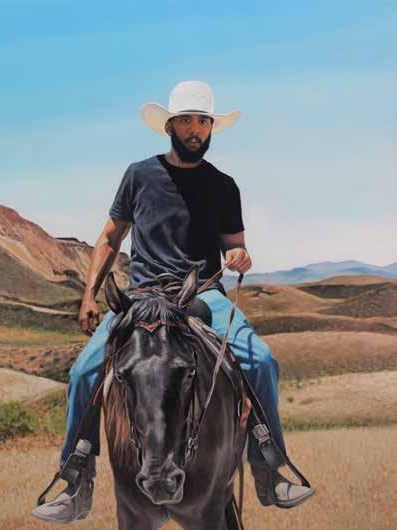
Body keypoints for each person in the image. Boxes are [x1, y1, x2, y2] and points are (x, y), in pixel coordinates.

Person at [31, 80, 314, 524]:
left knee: (260, 361)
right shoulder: (139, 175)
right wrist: (89, 293)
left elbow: (234, 245)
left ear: (211, 128)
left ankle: (269, 466)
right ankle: (76, 478)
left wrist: (239, 255)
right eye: (186, 121)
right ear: (170, 126)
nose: (195, 129)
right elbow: (109, 237)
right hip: (143, 298)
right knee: (84, 371)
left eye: (203, 121)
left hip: (203, 295)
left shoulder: (223, 185)